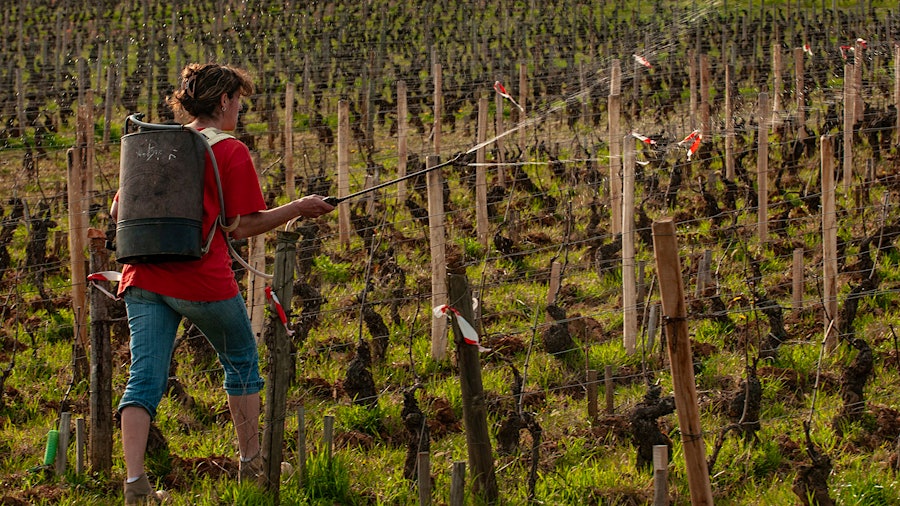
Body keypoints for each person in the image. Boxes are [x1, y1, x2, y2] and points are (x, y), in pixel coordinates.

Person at [112, 63, 334, 505]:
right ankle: (251, 462)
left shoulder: (152, 144)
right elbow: (241, 226)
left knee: (144, 379)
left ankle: (135, 485)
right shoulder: (229, 150)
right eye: (238, 101)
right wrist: (299, 207)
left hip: (141, 278)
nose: (240, 110)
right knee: (241, 361)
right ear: (222, 102)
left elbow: (120, 215)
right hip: (201, 282)